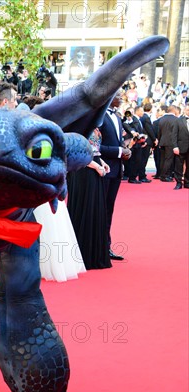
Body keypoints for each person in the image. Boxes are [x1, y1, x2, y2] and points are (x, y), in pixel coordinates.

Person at [67, 127, 112, 270]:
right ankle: (83, 255)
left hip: (94, 168)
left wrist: (101, 161)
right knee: (85, 208)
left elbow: (94, 149)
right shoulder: (81, 125)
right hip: (83, 172)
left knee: (95, 208)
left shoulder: (94, 125)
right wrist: (95, 165)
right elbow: (75, 152)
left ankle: (93, 254)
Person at [99, 91, 132, 261]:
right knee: (101, 209)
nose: (121, 99)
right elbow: (95, 147)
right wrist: (119, 151)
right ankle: (97, 247)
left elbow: (118, 142)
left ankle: (106, 246)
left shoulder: (118, 118)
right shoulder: (100, 117)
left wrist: (125, 150)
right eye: (119, 96)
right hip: (103, 170)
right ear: (110, 97)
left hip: (117, 170)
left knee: (109, 210)